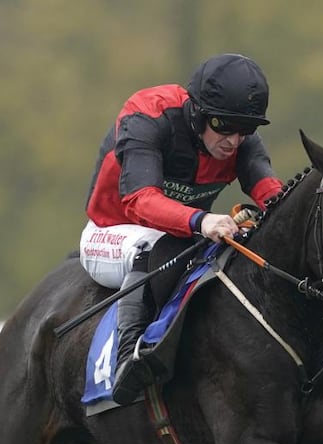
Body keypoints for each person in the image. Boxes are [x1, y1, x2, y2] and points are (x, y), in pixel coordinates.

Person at [80, 53, 284, 405]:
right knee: (151, 246)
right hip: (112, 233)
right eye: (224, 126)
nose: (234, 141)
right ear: (199, 112)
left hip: (180, 240)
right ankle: (128, 360)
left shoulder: (237, 136)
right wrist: (202, 220)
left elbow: (272, 195)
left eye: (245, 130)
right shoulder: (148, 115)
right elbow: (139, 200)